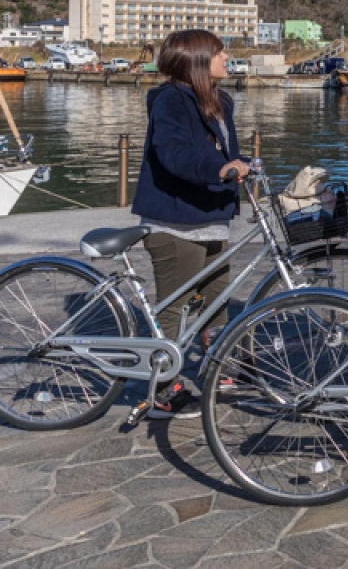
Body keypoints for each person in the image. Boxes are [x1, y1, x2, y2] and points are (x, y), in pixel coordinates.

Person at [130, 29, 251, 418]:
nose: (226, 56)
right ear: (198, 60)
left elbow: (218, 151)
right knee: (175, 307)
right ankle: (164, 391)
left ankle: (218, 369)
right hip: (175, 220)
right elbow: (173, 154)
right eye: (218, 52)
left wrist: (238, 166)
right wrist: (218, 171)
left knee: (216, 301)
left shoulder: (220, 101)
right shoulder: (170, 100)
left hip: (211, 216)